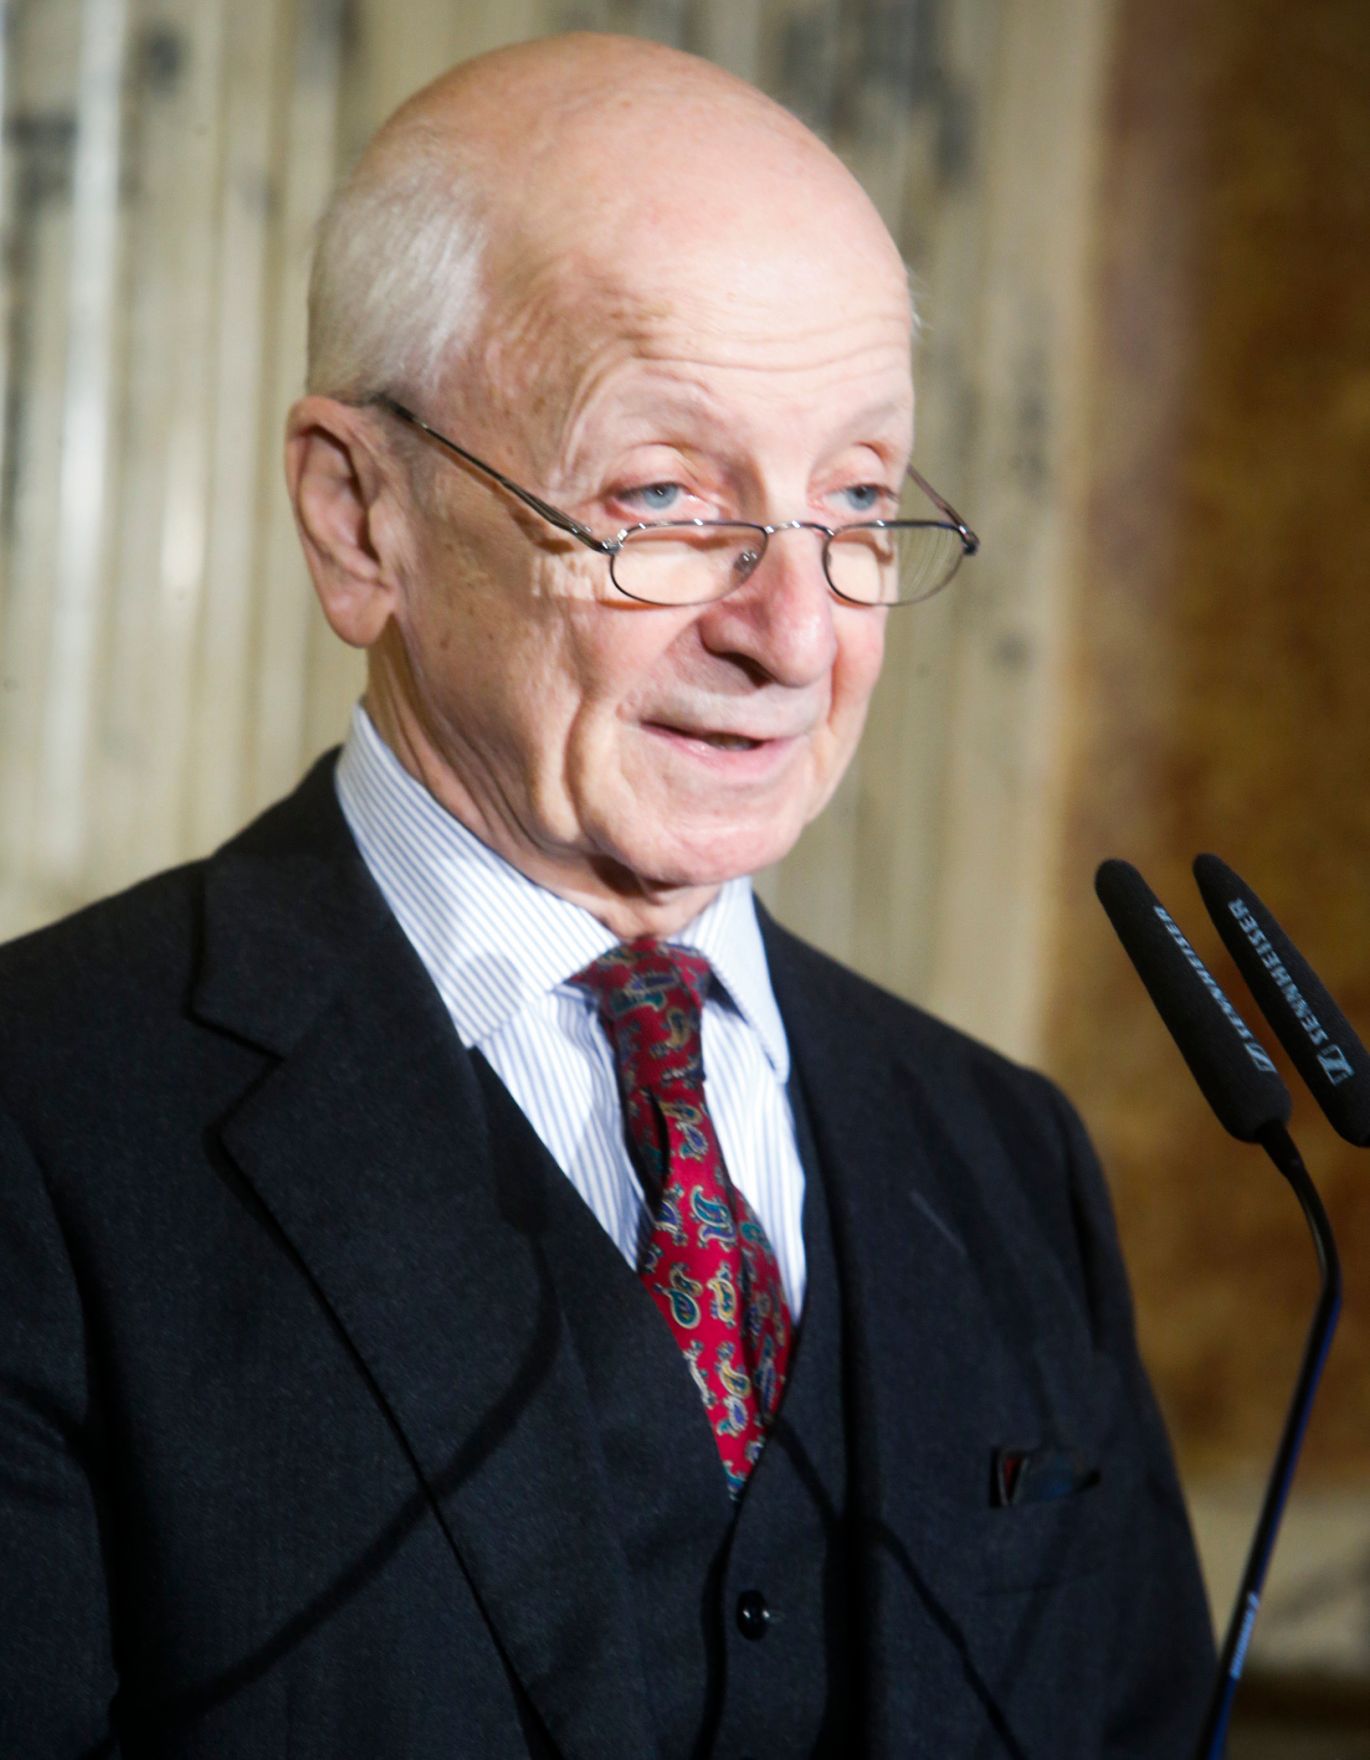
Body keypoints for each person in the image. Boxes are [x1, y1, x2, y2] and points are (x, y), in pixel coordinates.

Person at [0, 31, 1213, 1759]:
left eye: (857, 503)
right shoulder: (42, 1124)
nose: (791, 632)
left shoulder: (1004, 1162)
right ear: (363, 520)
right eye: (662, 497)